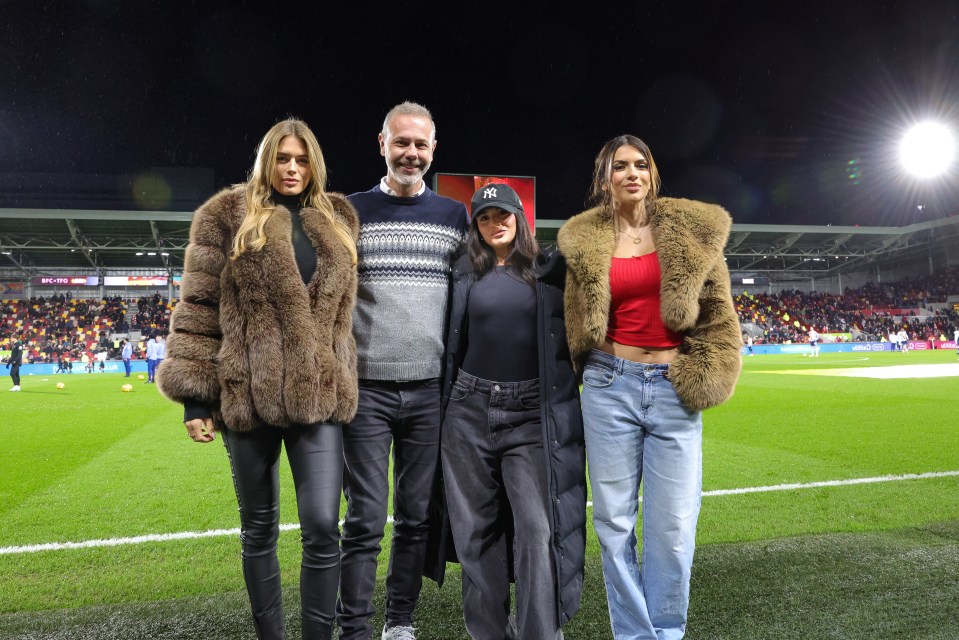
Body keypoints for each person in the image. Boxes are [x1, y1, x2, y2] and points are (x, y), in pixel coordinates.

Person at [156, 118, 359, 640]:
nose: (292, 168)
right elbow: (198, 308)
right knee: (260, 528)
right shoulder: (225, 215)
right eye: (282, 158)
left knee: (320, 525)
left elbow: (344, 314)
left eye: (301, 158)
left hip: (320, 396)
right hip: (247, 395)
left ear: (314, 162)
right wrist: (194, 402)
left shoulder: (338, 218)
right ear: (266, 160)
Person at [557, 134, 742, 640]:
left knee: (675, 527)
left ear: (652, 174)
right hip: (607, 384)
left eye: (641, 165)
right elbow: (571, 312)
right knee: (614, 525)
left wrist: (708, 372)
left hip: (672, 387)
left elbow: (720, 313)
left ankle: (667, 631)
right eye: (621, 166)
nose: (632, 173)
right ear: (606, 177)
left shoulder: (690, 231)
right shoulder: (583, 238)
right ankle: (636, 635)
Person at [337, 101, 468, 640]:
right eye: (401, 142)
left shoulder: (454, 217)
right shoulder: (348, 210)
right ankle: (354, 628)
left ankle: (400, 622)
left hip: (430, 391)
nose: (410, 153)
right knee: (365, 520)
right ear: (382, 144)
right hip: (365, 390)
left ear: (433, 150)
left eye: (420, 144)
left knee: (415, 516)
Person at [438, 184, 586, 639]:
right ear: (476, 227)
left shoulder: (551, 269)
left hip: (531, 412)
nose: (495, 223)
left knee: (538, 530)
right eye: (485, 217)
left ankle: (540, 633)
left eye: (504, 214)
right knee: (475, 534)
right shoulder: (462, 271)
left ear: (520, 218)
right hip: (467, 410)